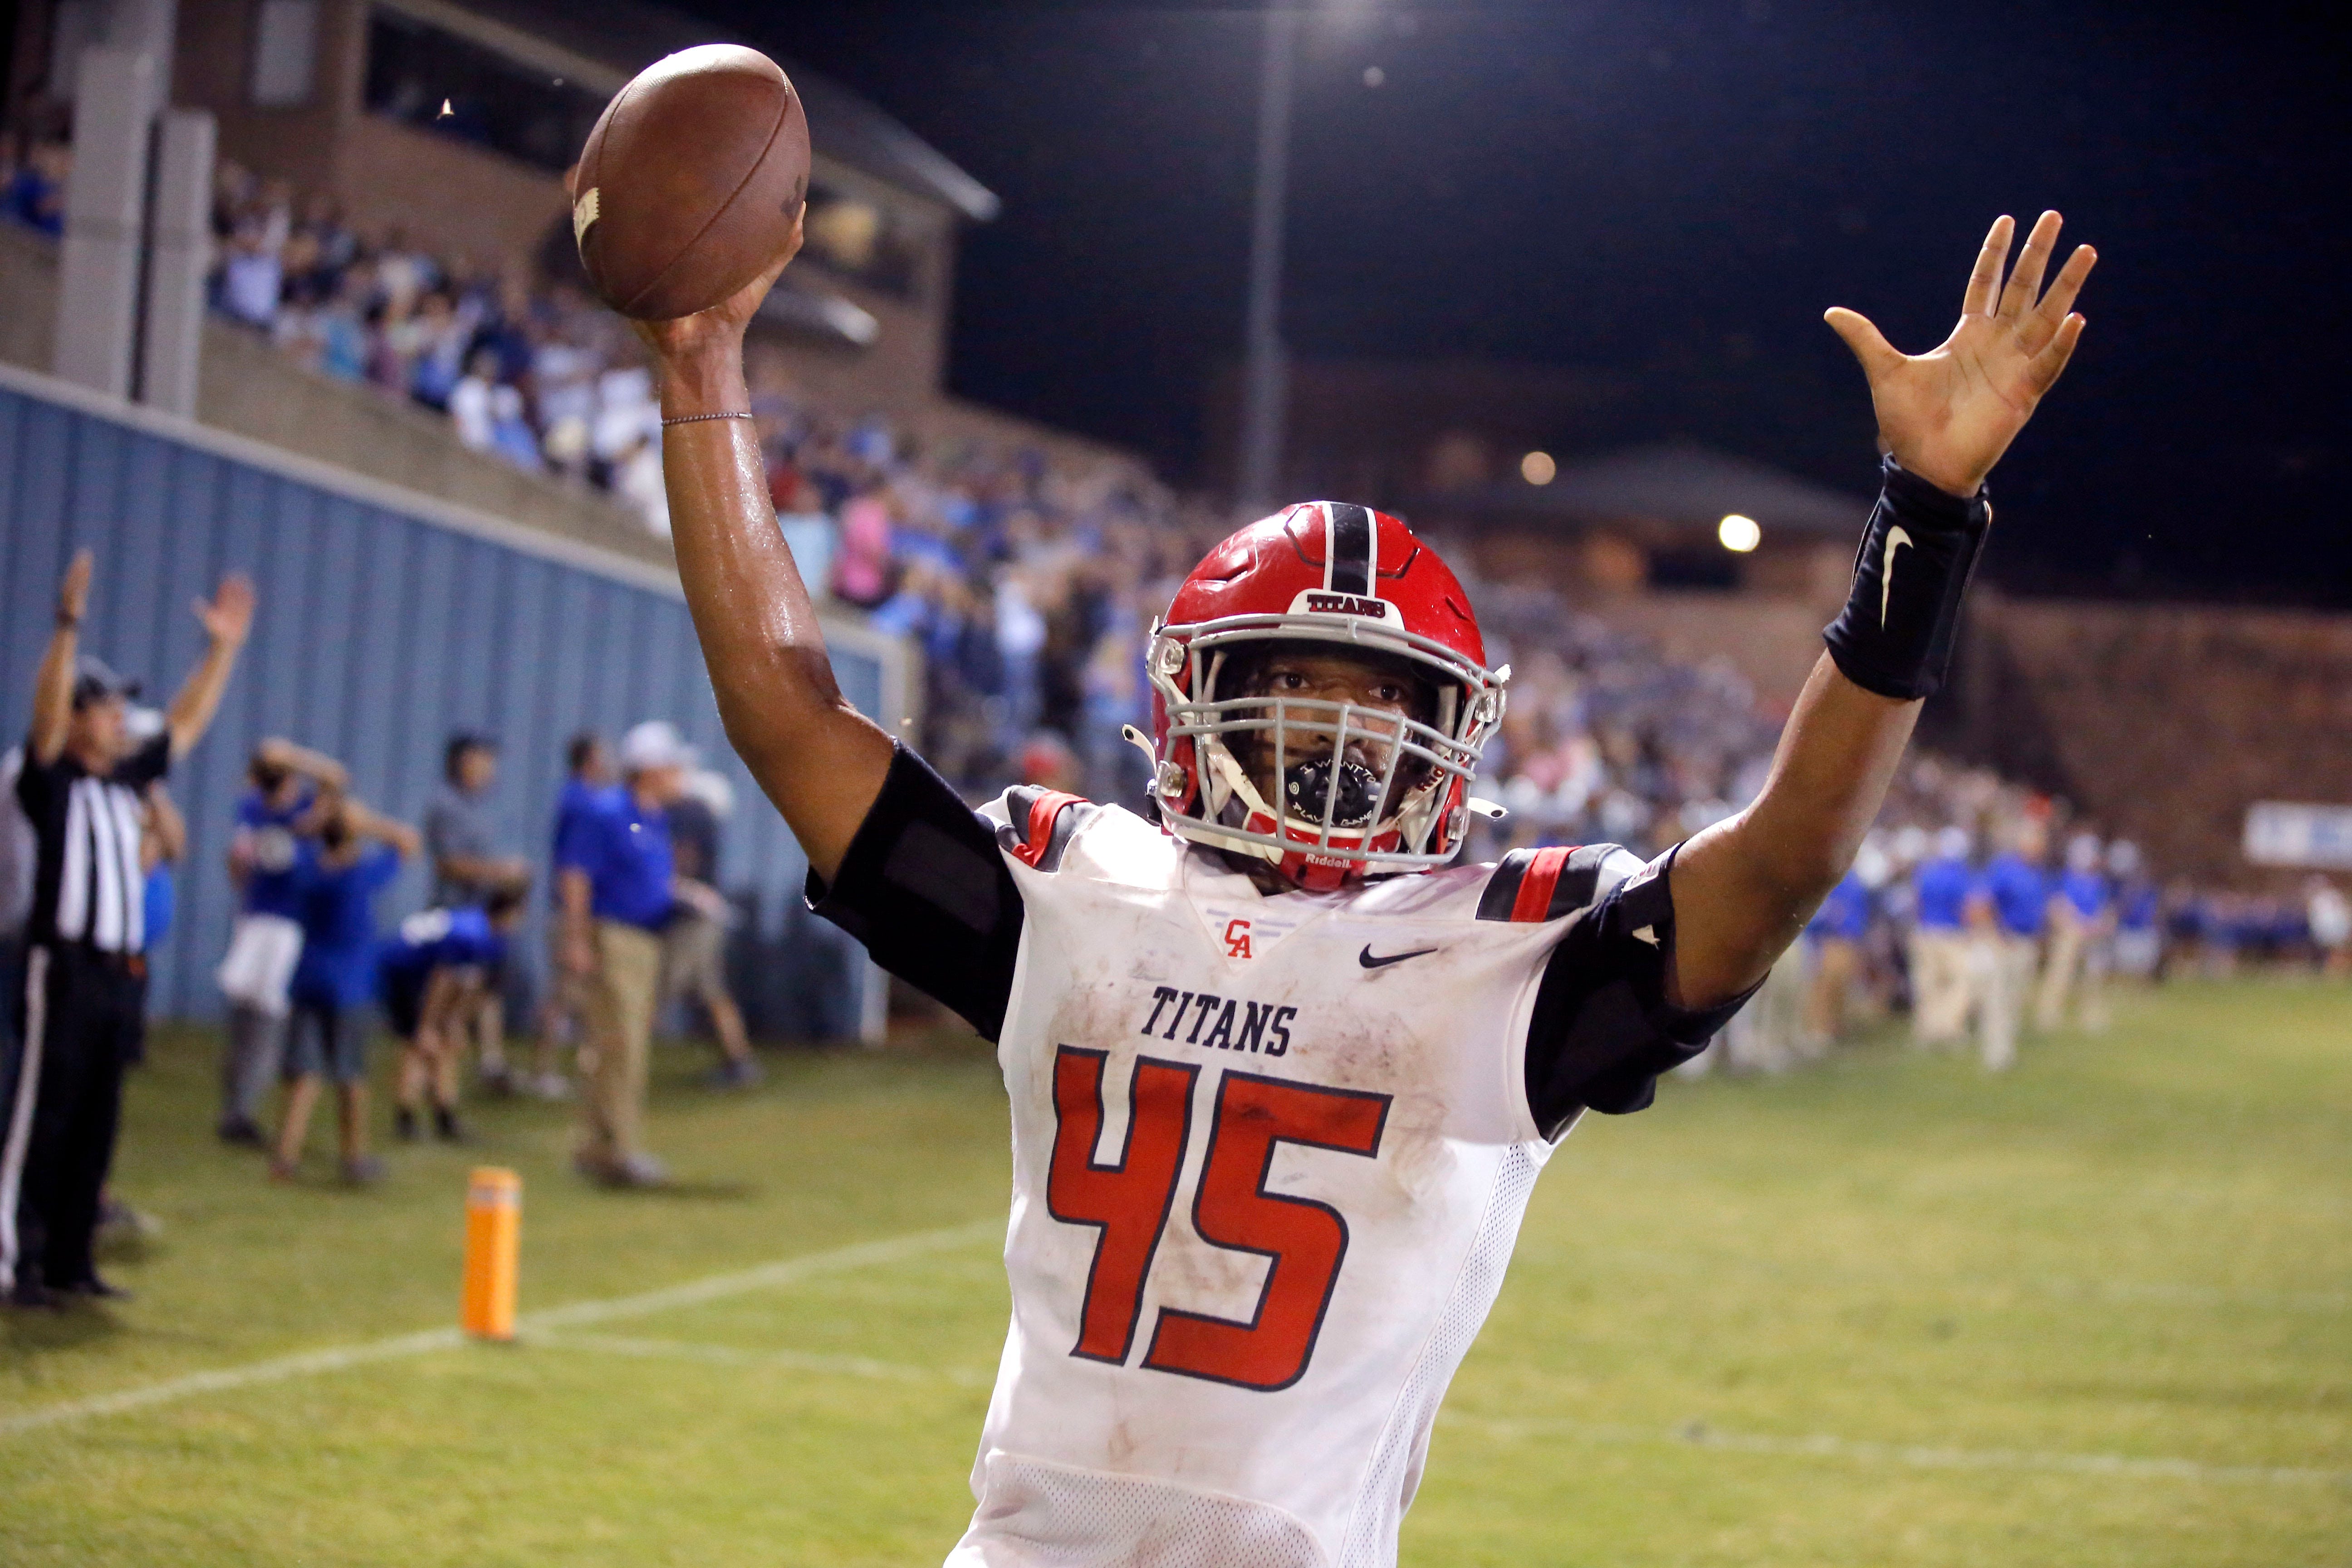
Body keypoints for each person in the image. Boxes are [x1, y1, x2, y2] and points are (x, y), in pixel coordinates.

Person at [631, 205, 2092, 1561]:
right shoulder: (1074, 892)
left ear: (1446, 739)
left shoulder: (1499, 964)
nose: (1328, 748)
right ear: (1195, 704)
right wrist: (700, 361)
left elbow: (1786, 857)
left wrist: (1926, 515)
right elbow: (790, 714)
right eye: (1287, 698)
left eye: (1370, 710)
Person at [5, 551, 253, 1307]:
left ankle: (70, 1261)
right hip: (63, 966)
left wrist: (222, 650)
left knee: (96, 1117)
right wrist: (68, 626)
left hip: (120, 972)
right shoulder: (49, 777)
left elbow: (183, 724)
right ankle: (19, 1255)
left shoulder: (125, 781)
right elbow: (46, 719)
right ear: (77, 718)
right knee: (41, 1116)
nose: (120, 720)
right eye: (106, 708)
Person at [558, 721, 691, 1186]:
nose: (681, 775)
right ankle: (617, 1150)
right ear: (651, 769)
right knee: (621, 1046)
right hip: (614, 937)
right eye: (673, 766)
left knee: (621, 1045)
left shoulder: (650, 816)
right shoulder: (609, 811)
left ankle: (600, 1146)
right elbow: (575, 876)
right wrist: (576, 940)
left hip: (644, 940)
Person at [271, 794, 419, 1184]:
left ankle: (284, 1158)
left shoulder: (308, 872)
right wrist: (367, 821)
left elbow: (292, 842)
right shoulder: (361, 876)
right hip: (350, 987)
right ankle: (353, 1158)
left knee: (304, 1072)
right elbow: (407, 843)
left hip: (308, 978)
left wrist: (319, 821)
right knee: (350, 1074)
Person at [216, 738, 348, 1145]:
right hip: (258, 918)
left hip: (284, 923)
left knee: (267, 1015)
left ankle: (246, 1106)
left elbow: (337, 780)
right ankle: (237, 1106)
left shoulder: (301, 808)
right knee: (246, 1011)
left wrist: (293, 755)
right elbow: (238, 860)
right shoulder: (255, 808)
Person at [424, 732, 530, 1094]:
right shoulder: (446, 805)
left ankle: (489, 1064)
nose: (489, 768)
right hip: (456, 914)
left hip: (482, 917)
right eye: (482, 759)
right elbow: (449, 865)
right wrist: (502, 871)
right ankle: (428, 1079)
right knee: (448, 1000)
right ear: (462, 761)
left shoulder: (480, 805)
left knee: (485, 990)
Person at [382, 891, 527, 1145]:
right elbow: (442, 978)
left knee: (444, 1043)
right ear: (507, 913)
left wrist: (455, 1021)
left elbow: (471, 984)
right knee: (419, 1045)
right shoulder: (471, 935)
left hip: (424, 975)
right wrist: (428, 1025)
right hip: (405, 973)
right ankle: (408, 1116)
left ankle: (443, 1115)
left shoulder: (488, 935)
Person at [664, 766, 760, 1088]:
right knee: (713, 993)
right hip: (704, 919)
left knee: (660, 988)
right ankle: (739, 1061)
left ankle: (620, 1060)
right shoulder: (706, 821)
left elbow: (683, 864)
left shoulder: (692, 819)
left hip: (694, 922)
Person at [531, 731, 612, 1101]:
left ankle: (570, 1067)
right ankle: (544, 1070)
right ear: (590, 760)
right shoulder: (582, 802)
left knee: (572, 995)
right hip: (572, 913)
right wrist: (575, 926)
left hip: (575, 911)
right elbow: (574, 868)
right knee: (565, 994)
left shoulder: (582, 799)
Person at [1975, 818, 2049, 1071]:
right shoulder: (2005, 869)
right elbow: (1983, 903)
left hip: (2027, 941)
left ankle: (2008, 1048)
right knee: (1997, 996)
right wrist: (1995, 935)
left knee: (2016, 997)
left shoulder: (2036, 873)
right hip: (2005, 941)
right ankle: (1997, 1054)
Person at [1909, 825, 1978, 1045]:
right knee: (1958, 983)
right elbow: (1966, 907)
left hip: (1925, 932)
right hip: (1953, 935)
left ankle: (1928, 1030)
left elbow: (1916, 903)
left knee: (1928, 984)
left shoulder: (1925, 872)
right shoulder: (1960, 876)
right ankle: (1949, 1029)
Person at [2036, 830, 2112, 1031]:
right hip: (2070, 933)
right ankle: (2048, 1016)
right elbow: (2056, 906)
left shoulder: (2097, 882)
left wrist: (2099, 925)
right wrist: (2074, 924)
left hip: (2092, 934)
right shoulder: (2063, 878)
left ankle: (2092, 1017)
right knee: (2060, 976)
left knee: (2093, 978)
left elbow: (2103, 908)